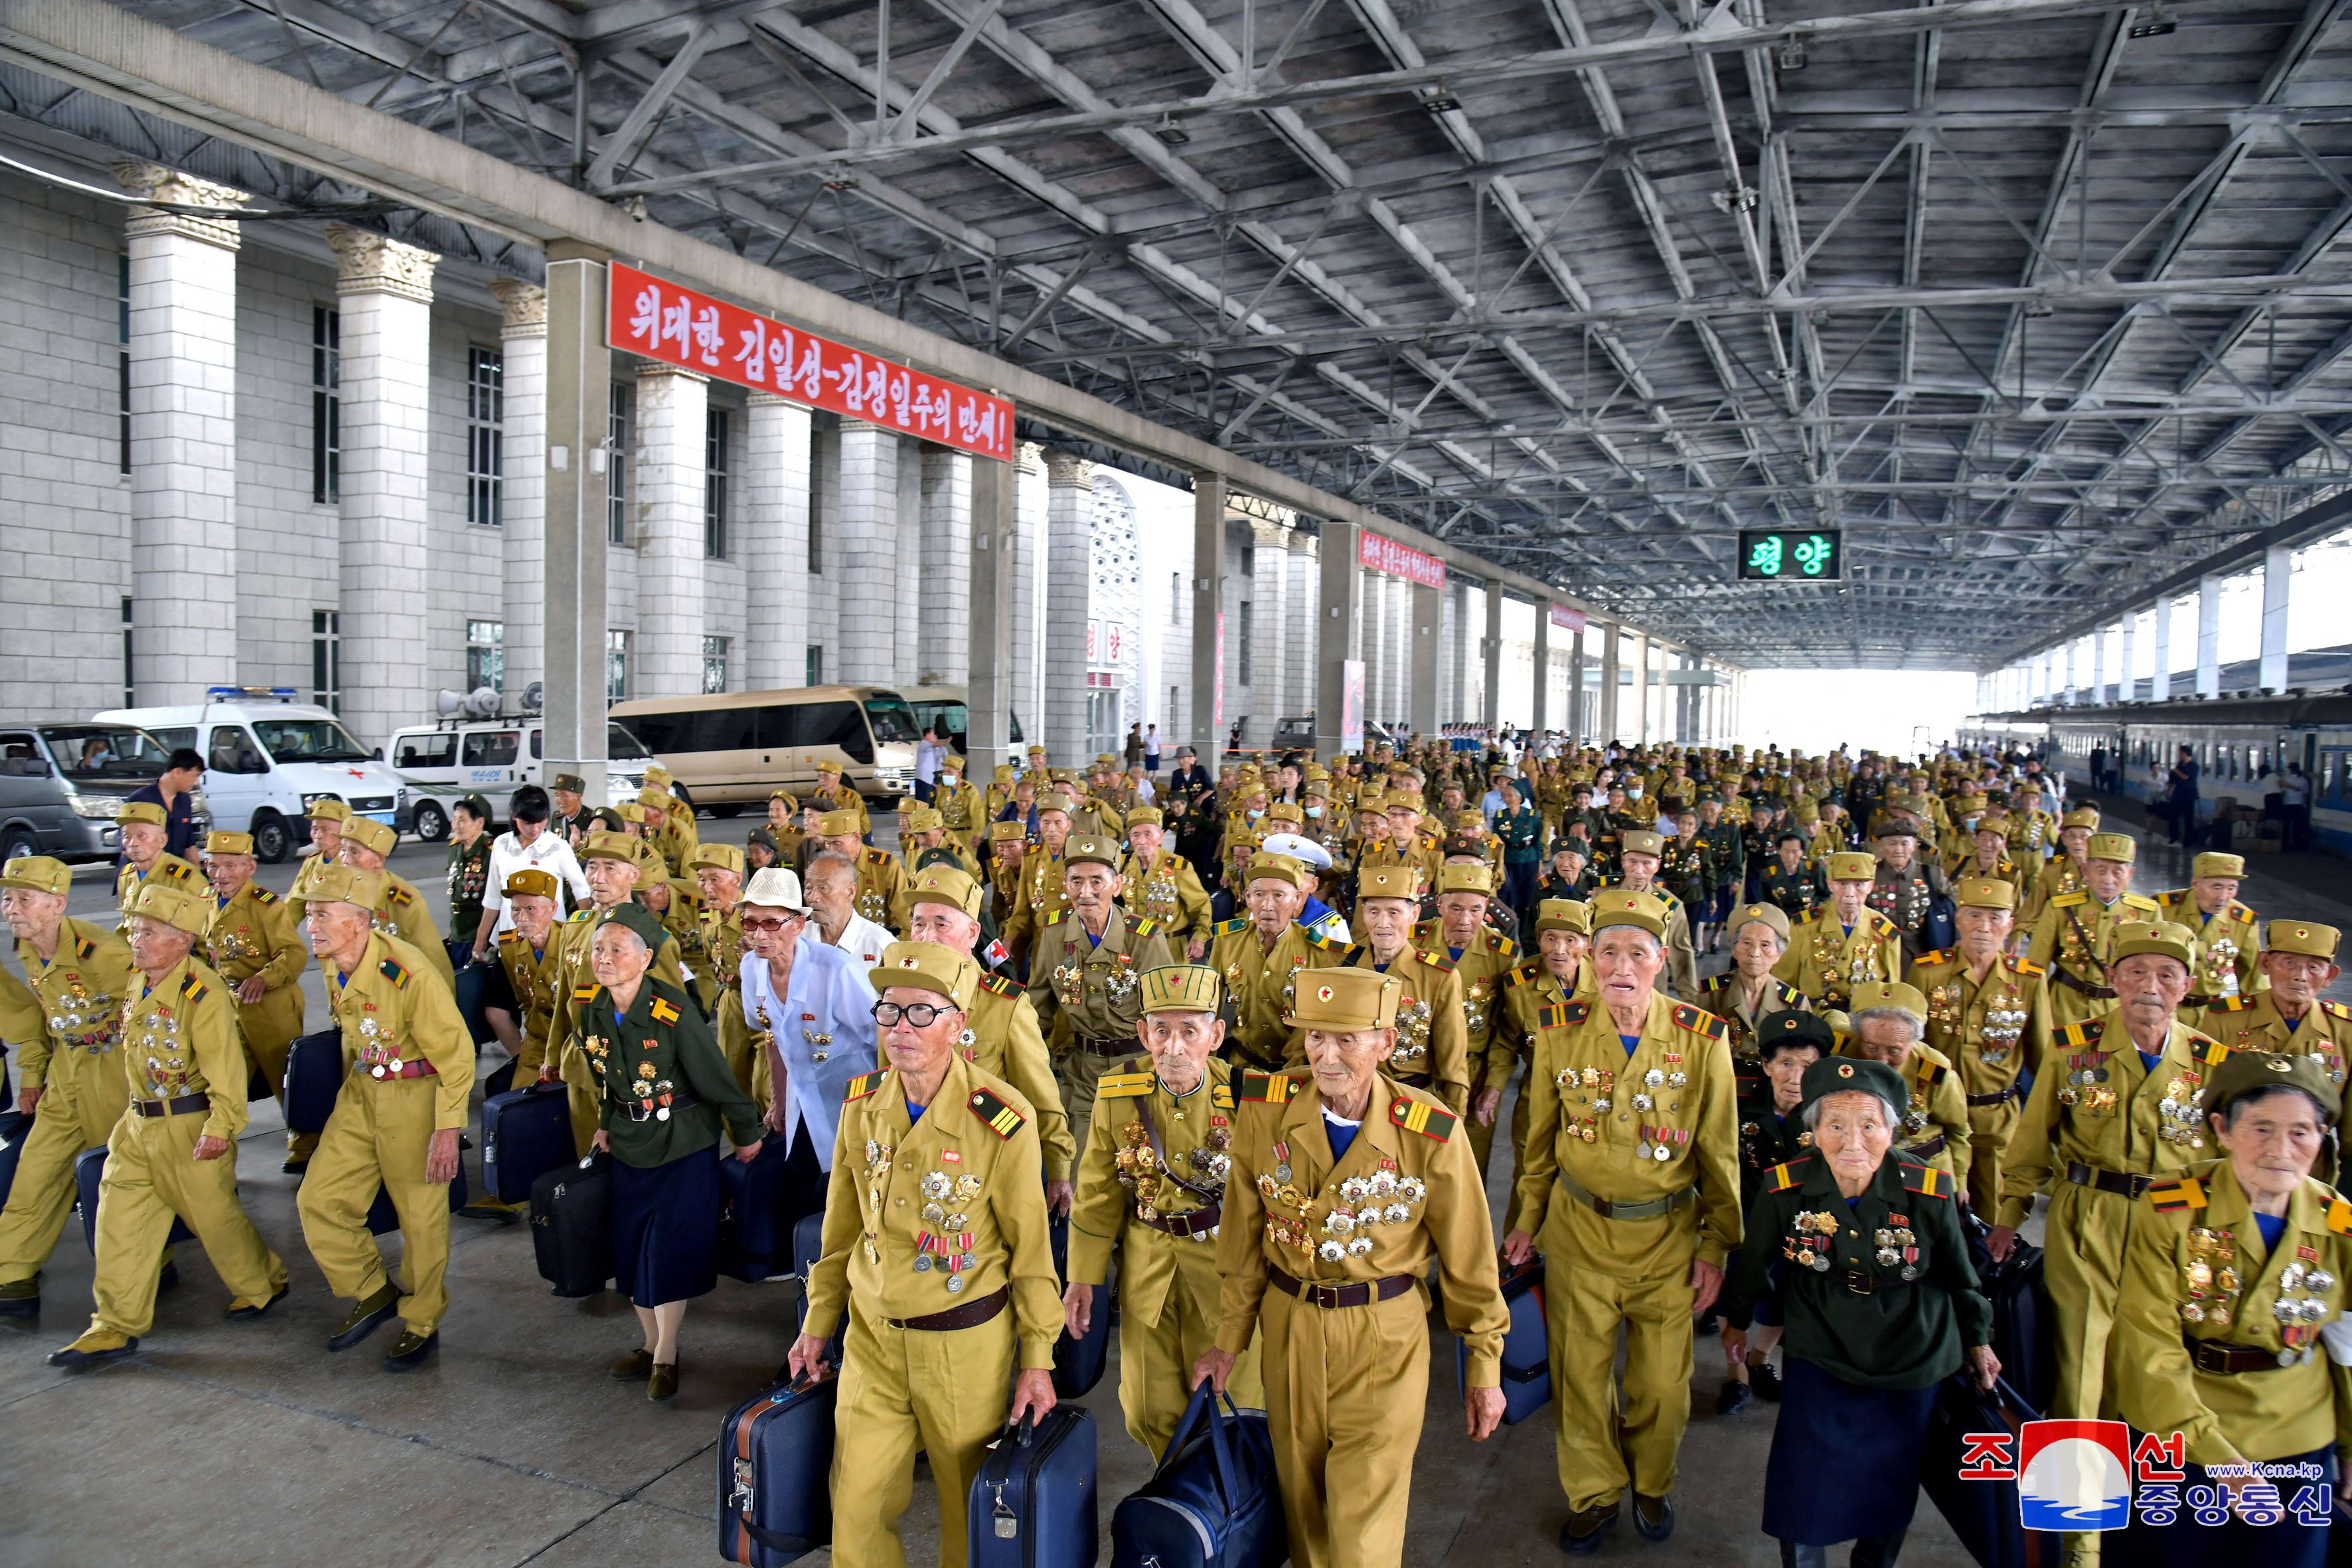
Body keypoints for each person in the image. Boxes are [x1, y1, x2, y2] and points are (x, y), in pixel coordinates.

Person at [1194, 967, 1510, 1568]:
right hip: (1288, 1327)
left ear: (1385, 1044)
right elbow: (1242, 1237)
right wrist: (1230, 1339)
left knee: (1363, 1531)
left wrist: (1485, 1365)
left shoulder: (1429, 1131)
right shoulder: (1266, 1110)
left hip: (1383, 1335)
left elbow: (1469, 1257)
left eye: (1346, 1039)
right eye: (1314, 1037)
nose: (1326, 1055)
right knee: (1303, 1509)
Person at [786, 945, 1060, 1568]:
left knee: (969, 1515)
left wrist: (1038, 1358)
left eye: (920, 1013)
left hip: (962, 1350)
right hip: (873, 1344)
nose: (900, 1028)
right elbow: (841, 1232)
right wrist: (817, 1321)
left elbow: (1031, 1252)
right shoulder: (862, 1105)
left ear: (958, 1024)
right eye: (889, 1012)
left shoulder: (1001, 1118)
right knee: (855, 1506)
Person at [1503, 888, 1742, 1553]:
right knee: (1580, 1379)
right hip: (1579, 1232)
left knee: (1663, 1387)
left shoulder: (1700, 1039)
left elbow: (1719, 1155)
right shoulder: (1559, 1031)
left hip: (1667, 1239)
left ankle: (1651, 1481)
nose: (1621, 965)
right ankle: (1595, 1492)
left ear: (1661, 959)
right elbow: (1540, 1143)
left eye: (1637, 952)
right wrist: (1527, 1217)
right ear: (1589, 958)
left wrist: (1718, 1245)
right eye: (1607, 951)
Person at [1721, 1056, 1998, 1568]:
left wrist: (1977, 1340)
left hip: (1912, 1347)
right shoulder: (1784, 1188)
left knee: (1891, 1477)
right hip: (1822, 1342)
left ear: (1891, 1131)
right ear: (1814, 1132)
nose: (1852, 1143)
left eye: (1869, 1125)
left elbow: (1961, 1276)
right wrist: (1737, 1322)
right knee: (1802, 1477)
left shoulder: (1927, 1191)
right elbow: (1753, 1262)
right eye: (1836, 1125)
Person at [2115, 1051, 2349, 1568]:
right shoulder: (2171, 1207)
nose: (2280, 1151)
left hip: (2297, 1431)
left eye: (2300, 1133)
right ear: (2221, 1129)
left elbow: (2345, 1346)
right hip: (2181, 1427)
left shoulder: (2340, 1225)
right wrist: (2224, 1463)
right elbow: (2147, 1341)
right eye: (2260, 1129)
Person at [47, 880, 290, 1368]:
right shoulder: (140, 979)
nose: (136, 941)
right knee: (116, 1224)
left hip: (189, 1125)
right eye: (135, 931)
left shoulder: (201, 994)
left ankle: (264, 1282)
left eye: (150, 933)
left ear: (182, 940)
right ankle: (113, 1326)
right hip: (137, 1125)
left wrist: (221, 1128)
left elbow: (226, 1070)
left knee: (214, 1220)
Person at [1991, 921, 2218, 1421]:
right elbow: (2033, 1137)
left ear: (2186, 987)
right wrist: (2010, 1213)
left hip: (2173, 1220)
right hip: (2087, 1214)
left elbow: (2224, 1160)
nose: (2149, 987)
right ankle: (2076, 1475)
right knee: (2079, 1347)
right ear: (2114, 978)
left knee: (2153, 1344)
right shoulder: (2075, 1048)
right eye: (2136, 972)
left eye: (2165, 975)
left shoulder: (2209, 1062)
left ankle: (2143, 1467)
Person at [1065, 963, 1266, 1458]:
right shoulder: (1118, 1092)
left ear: (1215, 1035)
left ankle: (1231, 1518)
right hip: (1147, 1273)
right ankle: (1177, 1509)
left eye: (1189, 1031)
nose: (1173, 1047)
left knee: (1232, 1407)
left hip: (1225, 1275)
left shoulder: (1251, 1097)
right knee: (1147, 1409)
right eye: (1161, 1031)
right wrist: (1081, 1279)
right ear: (1142, 1033)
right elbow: (1096, 1193)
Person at [569, 902, 764, 1400]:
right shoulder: (589, 1007)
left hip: (682, 1144)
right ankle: (649, 1342)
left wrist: (745, 1134)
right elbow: (604, 1080)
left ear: (645, 956)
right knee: (632, 1248)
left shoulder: (671, 1013)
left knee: (669, 1251)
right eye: (598, 948)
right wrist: (606, 1126)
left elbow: (716, 1079)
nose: (603, 958)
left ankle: (666, 1353)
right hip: (630, 1145)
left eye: (616, 949)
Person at [293, 864, 473, 1371]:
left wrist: (446, 1130)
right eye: (310, 914)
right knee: (319, 1198)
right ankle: (371, 1290)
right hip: (363, 1091)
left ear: (360, 920)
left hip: (417, 1097)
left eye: (323, 915)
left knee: (420, 1219)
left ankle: (421, 1319)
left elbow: (457, 1055)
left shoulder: (406, 970)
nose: (313, 926)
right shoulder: (334, 961)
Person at [0, 856, 141, 1319]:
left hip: (113, 1072)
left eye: (23, 899)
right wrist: (33, 1077)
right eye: (6, 899)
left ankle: (152, 1264)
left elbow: (145, 1013)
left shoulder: (101, 952)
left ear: (57, 904)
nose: (11, 909)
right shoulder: (29, 947)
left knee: (119, 1177)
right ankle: (12, 1275)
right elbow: (47, 1019)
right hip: (66, 1074)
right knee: (35, 1173)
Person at [736, 867, 879, 1229]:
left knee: (854, 1188)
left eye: (771, 923)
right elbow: (772, 1034)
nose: (759, 935)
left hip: (856, 1100)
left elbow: (883, 1040)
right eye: (749, 923)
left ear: (798, 924)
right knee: (802, 1182)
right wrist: (778, 1099)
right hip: (803, 1098)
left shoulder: (835, 970)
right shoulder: (752, 968)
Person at [1027, 834, 1177, 1157]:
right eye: (1076, 881)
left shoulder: (1145, 940)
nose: (1086, 892)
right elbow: (1037, 1007)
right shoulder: (1054, 935)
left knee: (1140, 1169)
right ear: (1065, 885)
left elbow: (1168, 1014)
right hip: (1081, 1071)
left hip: (1138, 1068)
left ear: (1117, 885)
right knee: (1077, 1172)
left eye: (1097, 881)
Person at [1719, 1011, 1832, 1411]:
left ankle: (1761, 1357)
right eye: (1785, 1063)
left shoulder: (1832, 1107)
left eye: (1808, 1065)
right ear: (1766, 1066)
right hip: (1744, 1208)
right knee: (1732, 1285)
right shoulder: (1737, 1091)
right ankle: (1737, 1374)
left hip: (1804, 1220)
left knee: (1789, 1290)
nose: (1795, 1076)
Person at [198, 830, 309, 1170]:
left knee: (285, 1079)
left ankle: (307, 1144)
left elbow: (293, 952)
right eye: (213, 866)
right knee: (223, 1079)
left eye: (231, 866)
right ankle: (218, 1147)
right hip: (228, 1006)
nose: (221, 874)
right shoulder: (204, 900)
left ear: (250, 867)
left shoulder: (266, 905)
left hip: (271, 1008)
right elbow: (203, 951)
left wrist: (264, 978)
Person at [1334, 866, 1471, 1114]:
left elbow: (1452, 1066)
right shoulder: (1341, 966)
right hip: (1347, 1104)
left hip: (1409, 1106)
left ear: (1415, 914)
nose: (1382, 923)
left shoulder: (1438, 977)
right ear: (1363, 914)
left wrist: (1453, 1126)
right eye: (1374, 911)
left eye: (1394, 912)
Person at [1207, 852, 1348, 1071]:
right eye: (1259, 894)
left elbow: (1323, 1021)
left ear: (1298, 899)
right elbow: (1210, 1006)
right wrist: (1208, 1064)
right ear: (1247, 896)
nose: (1267, 906)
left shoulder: (1318, 951)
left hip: (1298, 1070)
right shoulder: (1227, 941)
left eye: (1279, 895)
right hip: (1240, 1065)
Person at [2027, 832, 2163, 1032]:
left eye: (2118, 872)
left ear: (2130, 874)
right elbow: (2036, 966)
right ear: (2086, 871)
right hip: (2064, 1007)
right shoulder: (2060, 908)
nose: (2108, 880)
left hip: (2121, 1010)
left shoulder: (2147, 913)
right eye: (2100, 870)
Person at [1842, 982, 1972, 1184]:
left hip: (1921, 1171)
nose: (1882, 1061)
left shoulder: (1936, 1074)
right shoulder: (1840, 1054)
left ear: (1914, 1042)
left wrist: (1960, 1184)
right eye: (1871, 1047)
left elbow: (1958, 1132)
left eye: (1894, 1051)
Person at [1772, 851, 1903, 1012]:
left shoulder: (1885, 932)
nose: (1850, 893)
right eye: (1842, 883)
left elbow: (1892, 992)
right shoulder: (1803, 927)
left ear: (1871, 886)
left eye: (1858, 885)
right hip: (1814, 1019)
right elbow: (1783, 984)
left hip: (1863, 1023)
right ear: (1830, 884)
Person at [475, 785, 589, 955]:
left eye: (541, 821)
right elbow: (493, 897)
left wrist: (583, 932)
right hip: (510, 936)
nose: (535, 829)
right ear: (514, 815)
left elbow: (581, 889)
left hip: (549, 940)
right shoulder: (501, 845)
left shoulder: (557, 847)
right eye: (527, 823)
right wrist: (481, 939)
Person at [1697, 902, 1809, 1068]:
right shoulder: (1711, 994)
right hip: (1723, 1081)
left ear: (1778, 954)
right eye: (1747, 943)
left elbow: (1803, 1059)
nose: (1755, 953)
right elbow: (1696, 1048)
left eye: (1765, 945)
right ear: (1734, 949)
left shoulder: (1794, 1003)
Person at [2155, 852, 2264, 1004]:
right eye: (2217, 887)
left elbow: (2254, 977)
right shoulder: (2162, 909)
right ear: (2196, 884)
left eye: (2232, 888)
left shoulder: (2243, 921)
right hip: (2164, 1006)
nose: (2223, 897)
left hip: (2210, 1011)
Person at [1609, 830, 1700, 998]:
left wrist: (1690, 1001)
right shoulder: (1603, 895)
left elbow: (1681, 953)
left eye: (1646, 864)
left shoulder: (1669, 906)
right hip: (1607, 980)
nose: (1638, 870)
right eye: (1632, 861)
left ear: (1657, 865)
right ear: (1623, 861)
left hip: (1649, 987)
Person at [114, 800, 201, 931]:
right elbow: (126, 927)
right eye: (127, 836)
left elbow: (202, 932)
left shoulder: (186, 879)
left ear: (162, 840)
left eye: (141, 836)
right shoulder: (126, 875)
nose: (133, 843)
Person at [805, 849, 892, 972]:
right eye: (808, 888)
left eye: (823, 888)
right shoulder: (796, 938)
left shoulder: (881, 946)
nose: (813, 897)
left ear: (850, 891)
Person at [122, 746, 204, 868]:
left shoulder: (185, 801)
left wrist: (197, 879)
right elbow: (127, 847)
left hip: (174, 875)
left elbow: (189, 845)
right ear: (177, 772)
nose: (196, 783)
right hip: (141, 876)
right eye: (194, 776)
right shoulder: (140, 800)